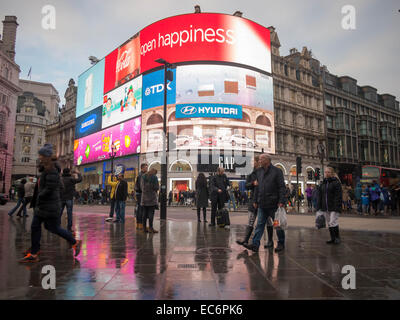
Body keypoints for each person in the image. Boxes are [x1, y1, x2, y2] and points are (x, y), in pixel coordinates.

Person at [19, 144, 82, 263]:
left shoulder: (52, 170)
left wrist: (39, 196)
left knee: (51, 227)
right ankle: (34, 251)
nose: (40, 157)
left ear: (46, 157)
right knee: (40, 227)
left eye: (41, 155)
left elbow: (50, 188)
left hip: (49, 205)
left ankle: (74, 242)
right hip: (44, 205)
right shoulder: (47, 169)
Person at [243, 154, 286, 253]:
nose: (259, 161)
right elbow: (257, 187)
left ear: (267, 160)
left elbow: (281, 187)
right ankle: (255, 244)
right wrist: (255, 201)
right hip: (262, 204)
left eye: (261, 159)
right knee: (259, 225)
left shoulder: (277, 171)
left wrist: (281, 201)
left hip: (274, 204)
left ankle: (281, 243)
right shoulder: (259, 172)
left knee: (277, 225)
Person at [236, 155, 263, 246]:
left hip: (263, 199)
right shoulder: (250, 173)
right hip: (253, 198)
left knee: (268, 221)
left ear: (257, 162)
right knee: (251, 219)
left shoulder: (263, 172)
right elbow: (247, 185)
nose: (251, 163)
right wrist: (253, 183)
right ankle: (246, 240)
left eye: (253, 161)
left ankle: (270, 241)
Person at [316, 167, 342, 245]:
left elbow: (338, 196)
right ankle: (333, 238)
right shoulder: (323, 183)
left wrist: (337, 207)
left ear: (332, 173)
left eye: (328, 172)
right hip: (325, 207)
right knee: (329, 222)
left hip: (334, 206)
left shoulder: (336, 182)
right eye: (326, 172)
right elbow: (320, 196)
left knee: (333, 222)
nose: (326, 174)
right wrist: (319, 207)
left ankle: (337, 238)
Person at [60, 168, 82, 233]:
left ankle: (57, 226)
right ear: (69, 172)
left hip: (61, 198)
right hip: (69, 198)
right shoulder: (71, 179)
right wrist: (78, 173)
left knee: (59, 213)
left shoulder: (61, 179)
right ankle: (69, 228)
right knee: (69, 213)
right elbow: (79, 179)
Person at [141, 168, 159, 233]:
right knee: (151, 213)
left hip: (144, 197)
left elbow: (141, 187)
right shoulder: (154, 177)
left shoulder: (143, 176)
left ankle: (144, 228)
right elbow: (156, 187)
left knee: (144, 213)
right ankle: (151, 228)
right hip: (152, 198)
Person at [134, 163, 148, 230]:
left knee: (140, 208)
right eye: (145, 168)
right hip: (141, 193)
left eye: (147, 168)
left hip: (139, 193)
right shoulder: (141, 175)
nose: (146, 169)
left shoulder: (141, 175)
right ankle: (140, 224)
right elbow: (141, 186)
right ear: (142, 168)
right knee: (141, 209)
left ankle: (139, 224)